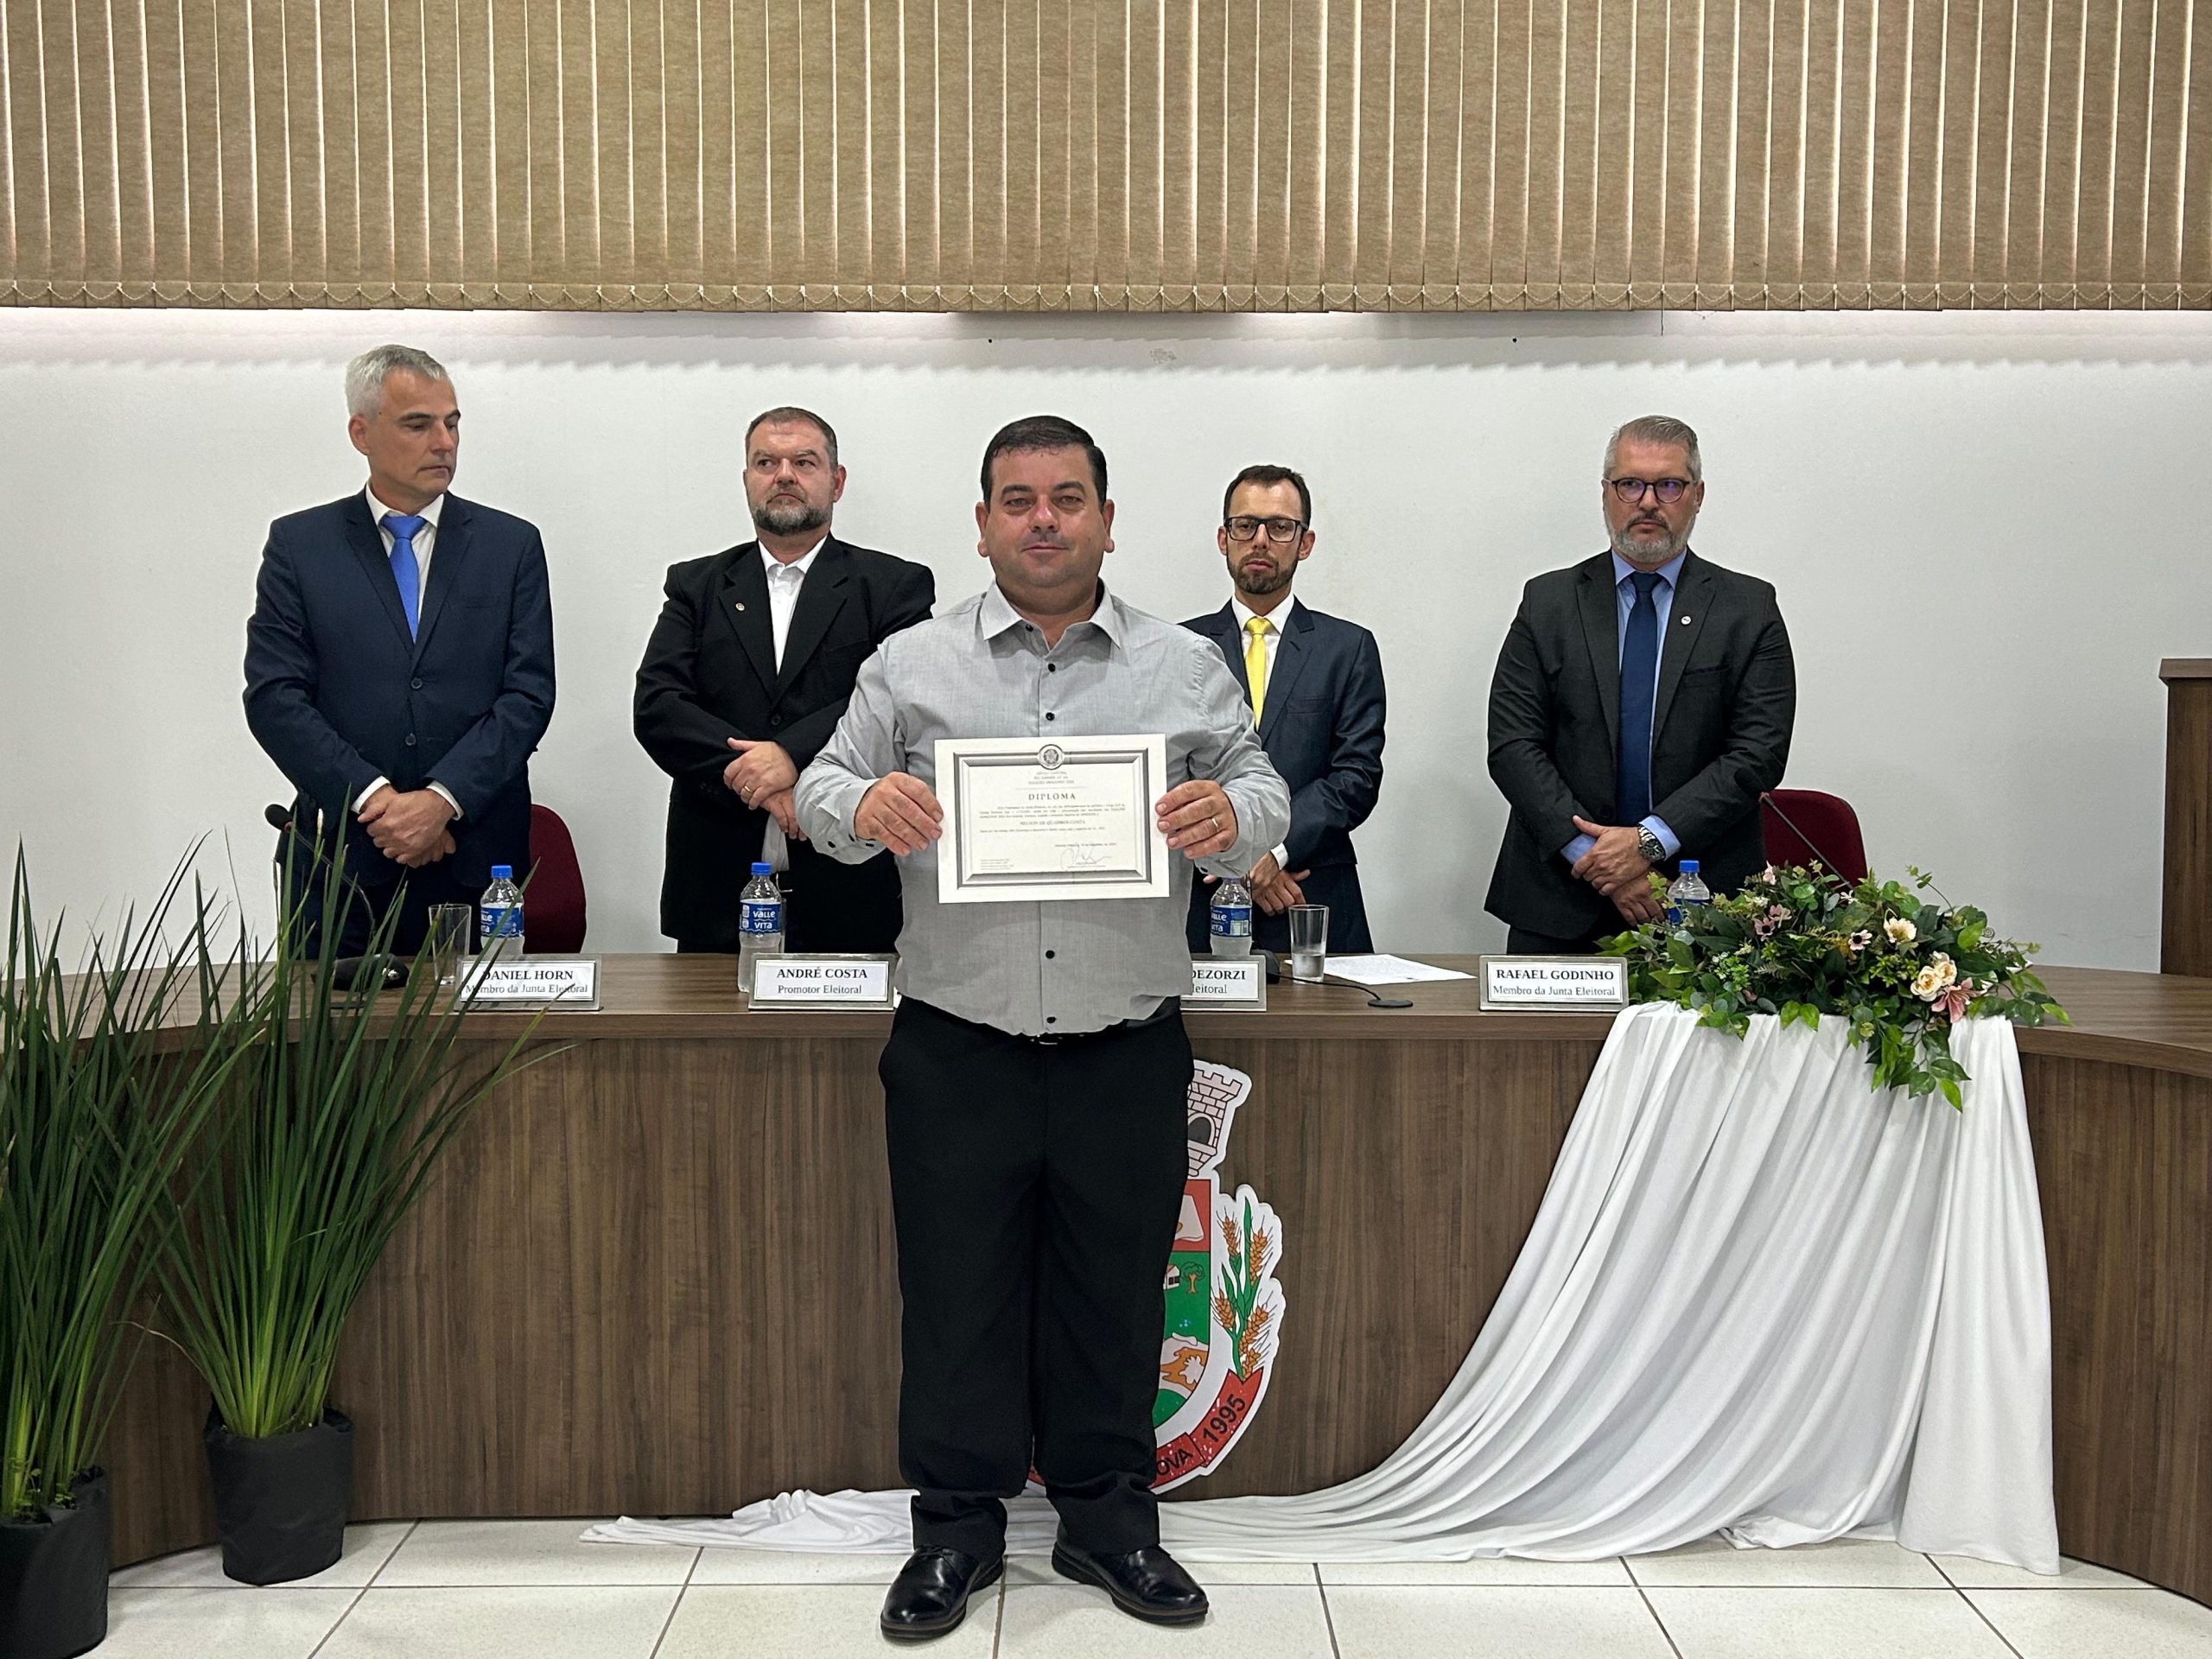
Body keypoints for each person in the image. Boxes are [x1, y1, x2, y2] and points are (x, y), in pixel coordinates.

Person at [795, 416, 1289, 1641]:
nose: (1044, 520)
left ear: (1108, 521)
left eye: (1068, 498)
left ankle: (1108, 1524)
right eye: (1018, 501)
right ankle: (954, 1534)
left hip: (1125, 1045)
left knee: (1115, 1296)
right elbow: (818, 789)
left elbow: (1264, 787)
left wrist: (1228, 818)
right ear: (982, 526)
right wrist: (869, 801)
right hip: (959, 1041)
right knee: (954, 1296)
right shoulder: (910, 662)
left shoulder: (1182, 663)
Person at [244, 344, 556, 956]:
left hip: (475, 861)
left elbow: (528, 695)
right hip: (341, 865)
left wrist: (441, 801)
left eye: (452, 423)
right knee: (329, 1023)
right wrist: (377, 801)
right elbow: (275, 698)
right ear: (361, 433)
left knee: (477, 1023)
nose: (444, 442)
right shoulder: (300, 546)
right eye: (418, 424)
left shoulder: (510, 545)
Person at [1485, 415, 1796, 953]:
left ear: (1697, 496)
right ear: (1606, 494)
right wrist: (1597, 857)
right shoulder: (1548, 602)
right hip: (1560, 898)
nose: (1648, 502)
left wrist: (1648, 844)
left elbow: (1757, 754)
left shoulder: (1749, 609)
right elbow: (1513, 745)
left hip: (1702, 899)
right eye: (1630, 484)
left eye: (1669, 485)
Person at [633, 406, 935, 953]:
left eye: (804, 462)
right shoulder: (696, 585)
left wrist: (792, 755)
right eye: (766, 463)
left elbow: (898, 699)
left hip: (851, 890)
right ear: (747, 480)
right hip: (714, 885)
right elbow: (659, 706)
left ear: (837, 482)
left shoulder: (894, 586)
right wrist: (762, 778)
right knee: (709, 1014)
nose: (784, 475)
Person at [1182, 464, 1385, 956]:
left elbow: (1356, 777)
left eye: (1279, 527)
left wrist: (1272, 851)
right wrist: (1234, 857)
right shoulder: (1180, 648)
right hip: (1203, 898)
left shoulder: (1348, 648)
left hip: (1310, 896)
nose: (1260, 540)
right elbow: (1168, 774)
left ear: (1305, 543)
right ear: (1223, 538)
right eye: (1245, 525)